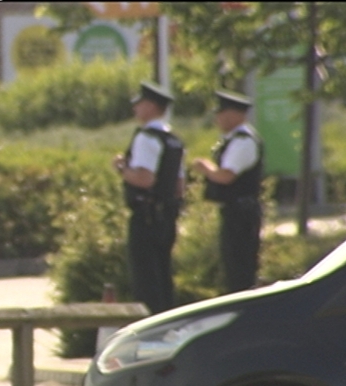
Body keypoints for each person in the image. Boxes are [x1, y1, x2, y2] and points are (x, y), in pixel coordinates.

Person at [112, 81, 186, 314]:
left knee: (146, 282)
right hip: (167, 217)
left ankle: (151, 336)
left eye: (139, 104)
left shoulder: (146, 137)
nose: (135, 109)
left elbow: (145, 178)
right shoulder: (173, 140)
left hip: (146, 216)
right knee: (164, 277)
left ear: (151, 106)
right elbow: (179, 185)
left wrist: (122, 169)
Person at [192, 89, 263, 293]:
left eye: (220, 113)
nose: (217, 118)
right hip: (235, 211)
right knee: (232, 266)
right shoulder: (235, 139)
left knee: (239, 269)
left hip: (241, 212)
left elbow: (226, 175)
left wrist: (205, 168)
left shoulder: (243, 141)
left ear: (232, 114)